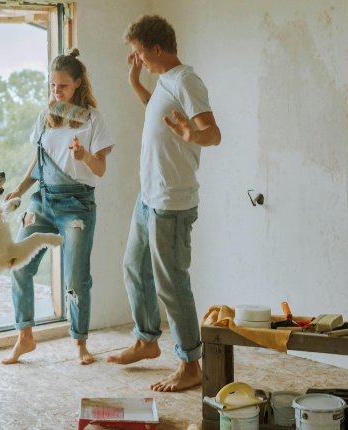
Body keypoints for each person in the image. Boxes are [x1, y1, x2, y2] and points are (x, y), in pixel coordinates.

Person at [106, 15, 221, 392]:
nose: (137, 58)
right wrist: (135, 81)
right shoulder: (163, 82)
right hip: (149, 196)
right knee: (134, 268)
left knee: (172, 284)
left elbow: (213, 134)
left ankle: (190, 365)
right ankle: (147, 340)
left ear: (157, 49)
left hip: (171, 202)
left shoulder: (187, 80)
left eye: (139, 53)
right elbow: (154, 110)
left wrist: (192, 132)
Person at [1, 49, 115, 365]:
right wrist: (20, 191)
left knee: (76, 279)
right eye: (53, 86)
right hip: (43, 200)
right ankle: (24, 338)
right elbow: (39, 163)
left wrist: (85, 157)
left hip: (77, 205)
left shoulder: (93, 119)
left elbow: (101, 169)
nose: (56, 91)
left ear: (78, 83)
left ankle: (80, 343)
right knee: (18, 263)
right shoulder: (45, 118)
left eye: (63, 86)